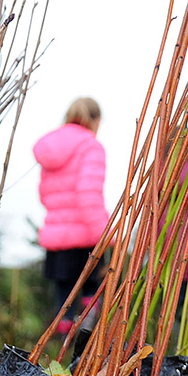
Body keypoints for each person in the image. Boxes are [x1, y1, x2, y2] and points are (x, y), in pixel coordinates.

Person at [34, 97, 110, 336]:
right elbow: (89, 194)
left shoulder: (52, 147)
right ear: (95, 120)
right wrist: (105, 235)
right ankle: (85, 348)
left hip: (57, 238)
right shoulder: (90, 146)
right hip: (85, 236)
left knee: (63, 301)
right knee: (91, 295)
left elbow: (45, 195)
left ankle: (60, 348)